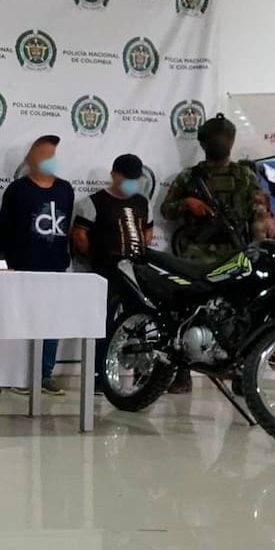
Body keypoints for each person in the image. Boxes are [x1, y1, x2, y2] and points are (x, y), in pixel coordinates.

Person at [161, 113, 269, 392]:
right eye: (214, 137)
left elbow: (258, 214)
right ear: (202, 142)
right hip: (195, 256)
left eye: (225, 137)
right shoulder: (189, 177)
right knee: (186, 313)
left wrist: (259, 248)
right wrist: (187, 203)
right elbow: (166, 210)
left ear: (232, 141)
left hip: (234, 254)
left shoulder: (244, 176)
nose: (220, 142)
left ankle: (240, 373)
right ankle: (182, 372)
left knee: (239, 316)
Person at [72, 154, 153, 395]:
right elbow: (79, 235)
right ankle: (98, 377)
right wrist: (99, 256)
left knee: (142, 323)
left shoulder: (142, 202)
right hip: (106, 274)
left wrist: (138, 253)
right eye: (126, 178)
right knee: (103, 325)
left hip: (136, 274)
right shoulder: (94, 202)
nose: (131, 183)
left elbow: (147, 232)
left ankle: (144, 377)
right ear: (114, 175)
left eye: (135, 179)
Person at [0, 135, 73, 396]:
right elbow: (4, 229)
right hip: (23, 266)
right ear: (32, 159)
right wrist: (6, 262)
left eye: (53, 155)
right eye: (45, 155)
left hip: (55, 268)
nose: (50, 161)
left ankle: (45, 374)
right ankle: (20, 374)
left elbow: (66, 226)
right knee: (21, 321)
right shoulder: (18, 190)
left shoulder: (65, 189)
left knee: (50, 324)